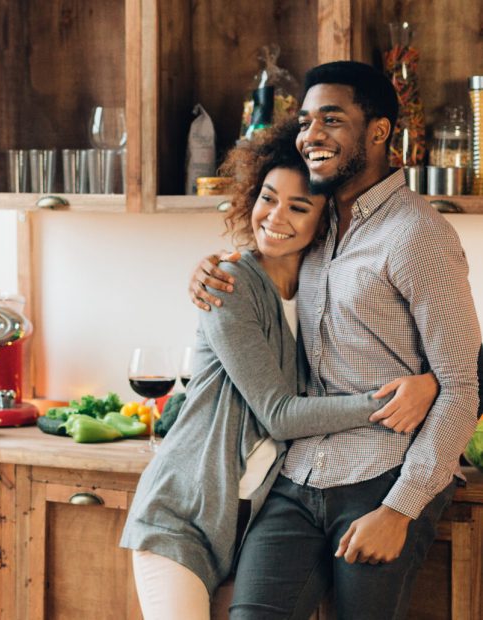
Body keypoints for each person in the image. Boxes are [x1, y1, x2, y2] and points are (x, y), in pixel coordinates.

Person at [188, 61, 481, 619]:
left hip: (384, 477)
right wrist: (206, 269)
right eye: (304, 120)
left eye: (332, 119)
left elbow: (463, 385)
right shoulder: (318, 227)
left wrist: (400, 509)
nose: (311, 134)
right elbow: (260, 260)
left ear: (378, 131)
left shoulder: (419, 236)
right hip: (297, 478)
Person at [119, 119, 439, 620]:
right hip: (181, 518)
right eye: (268, 197)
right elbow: (280, 415)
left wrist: (432, 380)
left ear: (325, 218)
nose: (276, 216)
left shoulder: (317, 289)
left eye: (299, 206)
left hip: (243, 526)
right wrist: (396, 400)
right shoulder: (229, 283)